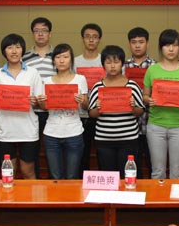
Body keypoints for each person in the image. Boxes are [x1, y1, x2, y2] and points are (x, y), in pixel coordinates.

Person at [0, 33, 43, 179]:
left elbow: (41, 102)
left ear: (23, 50)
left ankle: (32, 195)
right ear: (4, 51)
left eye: (18, 47)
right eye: (9, 48)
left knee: (27, 171)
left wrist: (35, 101)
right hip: (5, 130)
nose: (14, 51)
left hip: (28, 129)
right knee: (8, 171)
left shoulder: (33, 73)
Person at [143, 29, 179, 179]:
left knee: (177, 173)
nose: (171, 49)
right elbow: (145, 96)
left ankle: (175, 196)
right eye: (167, 45)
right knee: (157, 172)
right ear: (161, 48)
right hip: (156, 126)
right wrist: (148, 100)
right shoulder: (152, 70)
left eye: (175, 45)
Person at [88, 45, 145, 175]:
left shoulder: (132, 85)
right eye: (108, 62)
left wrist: (133, 107)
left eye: (116, 62)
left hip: (129, 139)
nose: (112, 66)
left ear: (122, 63)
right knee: (108, 177)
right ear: (103, 65)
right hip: (104, 140)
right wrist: (98, 108)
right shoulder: (98, 87)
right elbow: (91, 113)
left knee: (128, 176)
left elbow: (141, 111)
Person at [37, 43, 88, 179]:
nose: (61, 60)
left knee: (72, 176)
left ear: (71, 60)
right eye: (58, 57)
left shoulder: (80, 79)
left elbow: (86, 106)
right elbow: (44, 107)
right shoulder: (47, 81)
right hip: (51, 133)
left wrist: (82, 100)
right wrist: (41, 101)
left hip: (74, 132)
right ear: (53, 60)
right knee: (55, 177)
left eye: (65, 57)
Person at [22, 17, 55, 178]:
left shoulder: (59, 56)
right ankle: (34, 184)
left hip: (53, 113)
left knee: (52, 151)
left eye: (44, 31)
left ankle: (52, 184)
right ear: (32, 34)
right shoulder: (23, 58)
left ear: (50, 34)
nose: (40, 34)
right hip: (30, 112)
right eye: (36, 31)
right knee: (32, 151)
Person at [124, 26, 155, 178]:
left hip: (151, 123)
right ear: (129, 44)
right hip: (129, 126)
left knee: (152, 164)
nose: (137, 45)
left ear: (147, 43)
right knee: (132, 166)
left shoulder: (156, 67)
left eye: (141, 42)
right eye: (134, 42)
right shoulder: (122, 67)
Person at [74, 23, 103, 175]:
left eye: (95, 37)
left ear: (99, 39)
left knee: (102, 155)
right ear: (82, 39)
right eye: (87, 37)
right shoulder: (74, 62)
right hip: (80, 115)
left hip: (101, 114)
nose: (91, 40)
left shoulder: (105, 61)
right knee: (82, 156)